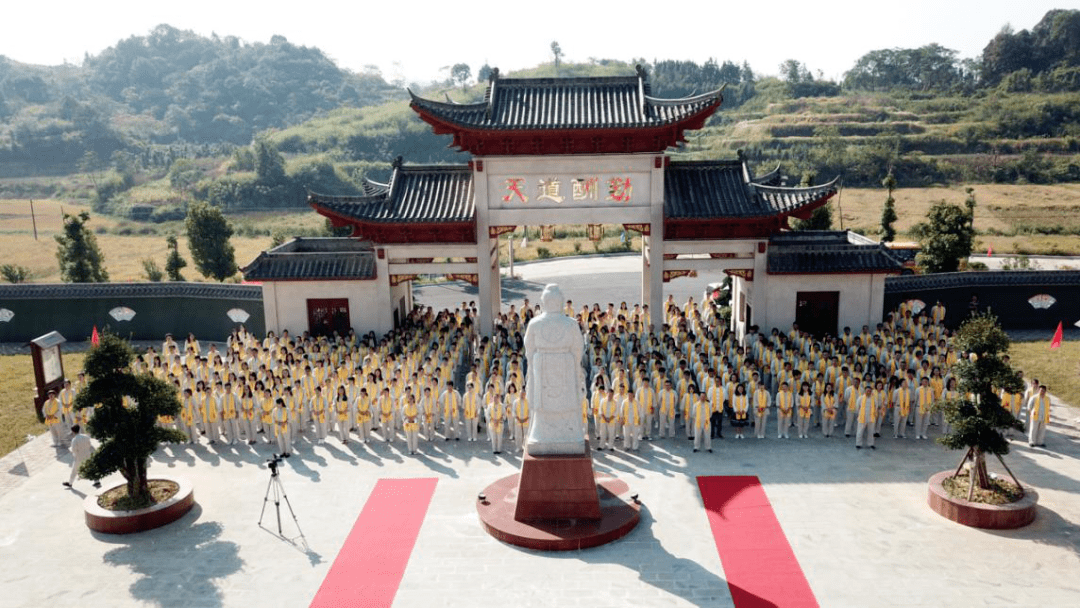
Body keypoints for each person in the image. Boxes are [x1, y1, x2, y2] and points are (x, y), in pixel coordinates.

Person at [64, 425, 99, 489]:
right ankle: (97, 481)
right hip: (88, 454)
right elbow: (89, 445)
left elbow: (74, 450)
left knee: (74, 470)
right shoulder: (86, 436)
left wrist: (73, 452)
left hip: (79, 457)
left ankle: (70, 483)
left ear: (73, 432)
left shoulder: (74, 440)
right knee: (91, 467)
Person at [854, 385, 877, 449]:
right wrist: (860, 414)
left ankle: (871, 444)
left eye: (870, 391)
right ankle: (858, 443)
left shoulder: (874, 399)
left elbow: (876, 407)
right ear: (865, 391)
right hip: (862, 417)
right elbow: (857, 407)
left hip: (871, 417)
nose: (868, 392)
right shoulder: (861, 398)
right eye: (867, 390)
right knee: (860, 431)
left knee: (871, 431)